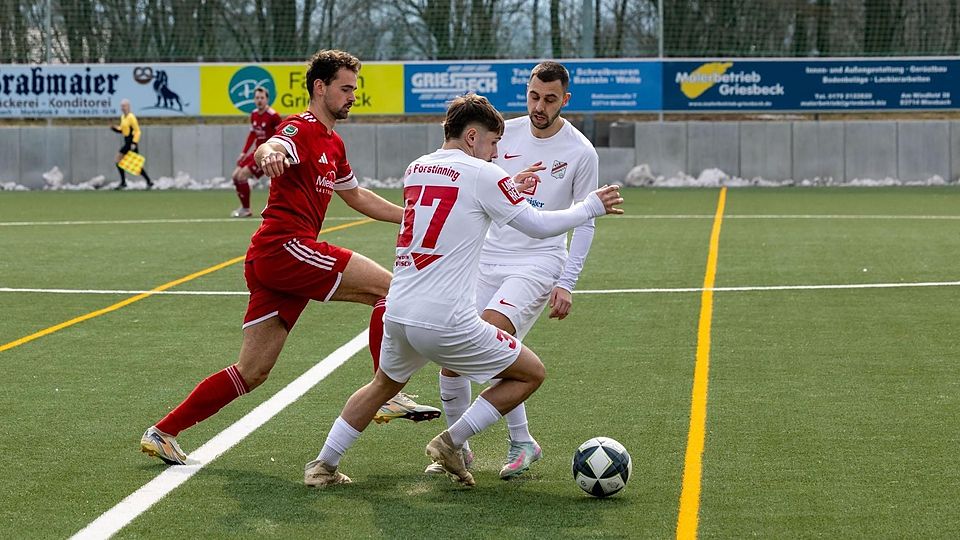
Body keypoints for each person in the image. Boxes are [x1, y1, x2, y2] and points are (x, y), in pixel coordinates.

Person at [303, 93, 623, 488]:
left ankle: (322, 466)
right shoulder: (484, 174)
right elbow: (536, 225)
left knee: (382, 385)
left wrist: (507, 188)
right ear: (472, 137)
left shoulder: (417, 167)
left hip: (398, 310)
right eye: (493, 143)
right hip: (445, 319)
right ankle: (453, 443)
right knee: (530, 374)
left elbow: (461, 206)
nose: (496, 153)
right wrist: (590, 206)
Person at [140, 50, 440, 466]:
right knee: (388, 289)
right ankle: (386, 393)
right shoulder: (301, 127)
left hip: (273, 259)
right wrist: (268, 154)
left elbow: (356, 195)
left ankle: (162, 432)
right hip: (286, 247)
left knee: (252, 371)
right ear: (320, 87)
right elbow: (273, 145)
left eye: (354, 89)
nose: (352, 96)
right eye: (345, 88)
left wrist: (409, 216)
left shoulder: (334, 142)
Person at [425, 61, 599, 480]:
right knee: (453, 356)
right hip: (487, 257)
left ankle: (514, 441)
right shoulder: (504, 133)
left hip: (538, 262)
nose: (539, 106)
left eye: (550, 99)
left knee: (490, 337)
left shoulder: (581, 151)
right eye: (534, 96)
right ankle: (461, 452)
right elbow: (479, 183)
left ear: (565, 99)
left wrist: (567, 282)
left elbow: (586, 221)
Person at [231, 86, 282, 217]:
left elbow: (281, 135)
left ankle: (246, 209)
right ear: (254, 99)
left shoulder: (273, 116)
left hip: (266, 153)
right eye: (257, 98)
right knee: (235, 176)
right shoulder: (254, 114)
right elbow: (253, 134)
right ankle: (244, 207)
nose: (259, 100)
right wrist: (243, 153)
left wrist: (278, 153)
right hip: (256, 151)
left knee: (242, 176)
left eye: (262, 98)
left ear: (267, 99)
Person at [111, 98, 153, 190]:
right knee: (132, 164)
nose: (123, 108)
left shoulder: (131, 117)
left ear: (129, 107)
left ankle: (124, 182)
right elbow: (123, 129)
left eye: (124, 106)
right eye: (122, 106)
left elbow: (137, 131)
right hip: (126, 141)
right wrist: (116, 129)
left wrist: (134, 143)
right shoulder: (123, 117)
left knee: (121, 161)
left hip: (131, 142)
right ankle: (148, 181)